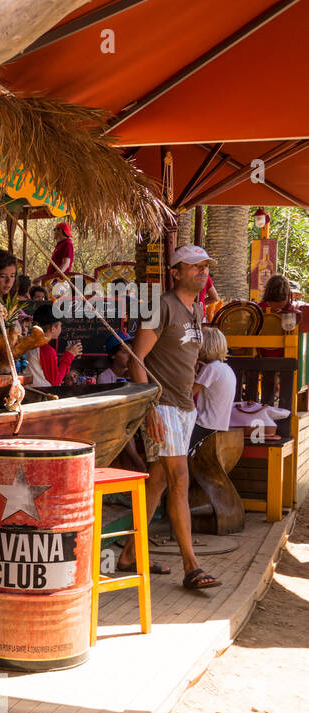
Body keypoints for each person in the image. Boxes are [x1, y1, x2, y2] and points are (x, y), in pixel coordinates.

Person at [118, 244, 220, 590]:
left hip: (183, 407)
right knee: (179, 478)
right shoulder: (161, 306)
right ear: (175, 273)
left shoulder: (196, 309)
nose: (202, 272)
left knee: (158, 482)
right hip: (162, 407)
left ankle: (129, 555)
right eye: (194, 267)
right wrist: (148, 407)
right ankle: (192, 566)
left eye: (205, 267)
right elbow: (136, 358)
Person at [191, 325, 235, 454]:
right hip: (220, 424)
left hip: (204, 423)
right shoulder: (225, 368)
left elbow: (188, 394)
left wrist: (193, 370)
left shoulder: (210, 369)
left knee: (183, 456)